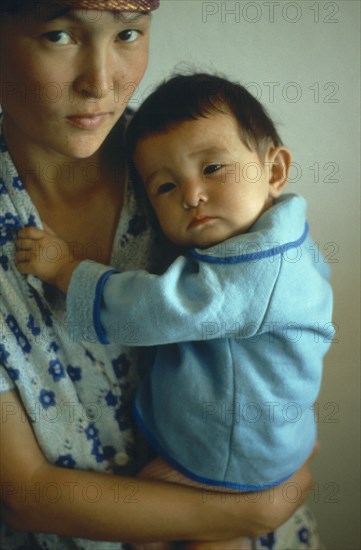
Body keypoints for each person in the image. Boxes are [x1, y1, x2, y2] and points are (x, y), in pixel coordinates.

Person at [15, 73, 332, 549]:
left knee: (181, 535)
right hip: (260, 443)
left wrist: (66, 270)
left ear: (274, 170)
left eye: (212, 169)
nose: (191, 195)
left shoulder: (260, 267)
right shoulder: (279, 236)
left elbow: (160, 307)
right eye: (164, 187)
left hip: (230, 458)